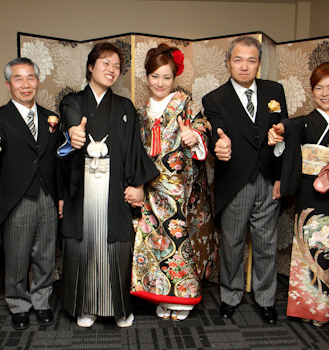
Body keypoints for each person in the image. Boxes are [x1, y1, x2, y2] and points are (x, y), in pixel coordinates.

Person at [57, 42, 159, 328]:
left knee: (116, 246)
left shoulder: (125, 107)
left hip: (114, 189)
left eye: (117, 66)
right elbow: (72, 122)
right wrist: (75, 133)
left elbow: (135, 149)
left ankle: (119, 308)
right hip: (84, 188)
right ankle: (86, 306)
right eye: (105, 63)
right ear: (91, 66)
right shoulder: (73, 101)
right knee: (84, 245)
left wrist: (138, 185)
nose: (112, 70)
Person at [267, 62, 329, 326]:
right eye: (319, 88)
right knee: (306, 249)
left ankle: (323, 310)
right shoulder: (303, 122)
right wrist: (278, 132)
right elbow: (287, 127)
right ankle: (305, 307)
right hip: (310, 193)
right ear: (312, 91)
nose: (325, 93)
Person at [202, 35, 288, 325]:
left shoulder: (274, 91)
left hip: (268, 180)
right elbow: (217, 131)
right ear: (228, 62)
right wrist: (219, 144)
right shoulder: (214, 99)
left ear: (259, 64)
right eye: (237, 59)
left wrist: (280, 177)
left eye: (251, 60)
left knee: (266, 244)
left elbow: (282, 133)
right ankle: (230, 296)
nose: (244, 66)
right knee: (232, 244)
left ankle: (265, 299)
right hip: (235, 183)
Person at [130, 43, 217, 321]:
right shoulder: (140, 113)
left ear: (174, 78)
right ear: (147, 77)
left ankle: (185, 299)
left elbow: (203, 127)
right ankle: (164, 296)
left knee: (179, 243)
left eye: (166, 77)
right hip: (152, 189)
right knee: (155, 245)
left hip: (180, 189)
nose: (160, 83)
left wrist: (195, 137)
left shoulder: (185, 105)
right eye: (155, 76)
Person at [0, 57, 62, 330]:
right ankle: (18, 304)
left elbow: (56, 160)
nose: (25, 84)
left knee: (46, 255)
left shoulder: (51, 117)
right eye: (18, 78)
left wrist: (60, 195)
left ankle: (41, 301)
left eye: (31, 77)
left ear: (38, 81)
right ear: (8, 84)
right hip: (18, 197)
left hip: (48, 195)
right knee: (16, 256)